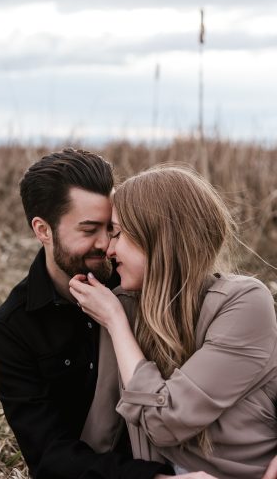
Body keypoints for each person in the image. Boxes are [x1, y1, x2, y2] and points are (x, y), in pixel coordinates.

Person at [0, 150, 216, 479]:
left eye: (112, 227)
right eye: (89, 229)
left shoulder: (142, 278)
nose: (107, 244)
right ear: (43, 230)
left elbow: (240, 361)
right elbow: (50, 454)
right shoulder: (13, 327)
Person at [70, 164, 277, 479]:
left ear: (160, 239)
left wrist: (115, 322)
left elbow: (165, 421)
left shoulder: (244, 302)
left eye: (119, 232)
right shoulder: (127, 305)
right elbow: (102, 434)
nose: (109, 249)